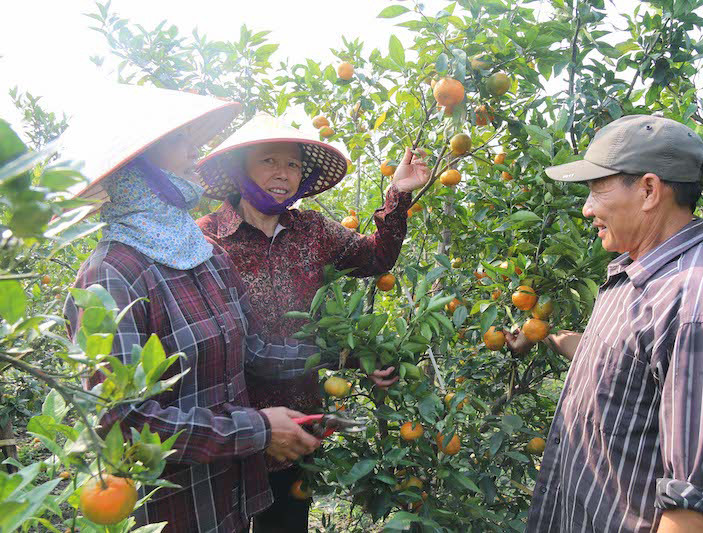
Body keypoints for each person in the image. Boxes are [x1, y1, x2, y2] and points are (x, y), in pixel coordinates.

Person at [61, 86, 323, 532]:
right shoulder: (110, 278)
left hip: (235, 502)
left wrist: (344, 356)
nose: (193, 154)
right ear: (137, 166)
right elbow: (120, 424)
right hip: (176, 513)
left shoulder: (203, 254)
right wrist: (257, 430)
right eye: (181, 143)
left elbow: (255, 350)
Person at [505, 115, 703, 532]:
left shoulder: (699, 302)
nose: (588, 208)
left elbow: (693, 504)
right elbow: (633, 367)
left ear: (648, 190)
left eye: (597, 189)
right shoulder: (633, 273)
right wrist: (557, 340)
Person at [195, 115, 430, 532]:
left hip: (297, 428)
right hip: (229, 428)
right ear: (240, 171)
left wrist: (398, 196)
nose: (283, 174)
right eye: (269, 161)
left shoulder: (313, 231)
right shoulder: (206, 238)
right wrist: (346, 358)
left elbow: (376, 258)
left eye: (294, 165)